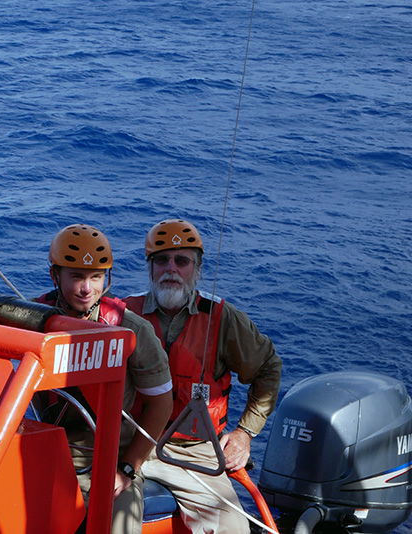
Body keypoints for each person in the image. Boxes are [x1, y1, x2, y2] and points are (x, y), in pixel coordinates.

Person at [124, 218, 282, 534]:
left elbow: (267, 368)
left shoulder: (223, 319)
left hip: (193, 451)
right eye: (161, 260)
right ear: (150, 268)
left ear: (197, 271)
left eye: (182, 261)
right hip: (129, 443)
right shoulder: (123, 313)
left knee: (232, 528)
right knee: (110, 515)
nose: (171, 268)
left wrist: (244, 434)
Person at [35, 224, 173, 534]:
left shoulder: (131, 330)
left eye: (95, 277)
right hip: (47, 452)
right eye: (76, 277)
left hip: (111, 458)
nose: (87, 289)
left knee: (118, 528)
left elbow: (161, 405)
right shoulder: (30, 316)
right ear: (55, 275)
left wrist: (126, 469)